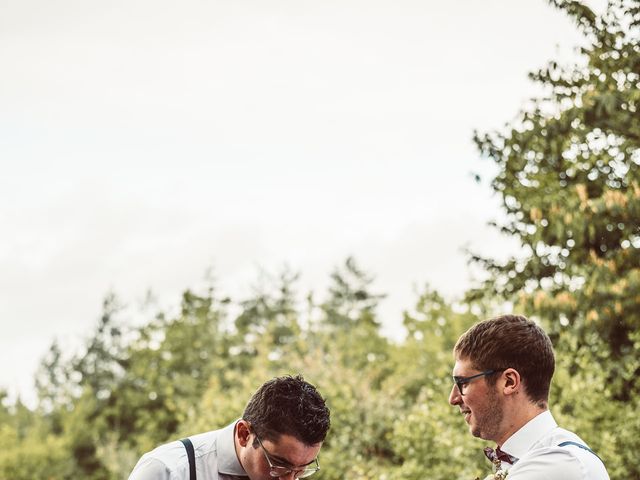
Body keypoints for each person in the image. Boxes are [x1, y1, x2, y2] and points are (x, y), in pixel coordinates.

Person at [448, 314, 609, 480]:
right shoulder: (536, 459)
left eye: (463, 383)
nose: (453, 399)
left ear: (509, 382)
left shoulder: (560, 463)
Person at [128, 374, 330, 480]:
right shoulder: (166, 471)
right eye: (279, 465)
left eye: (301, 470)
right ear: (244, 434)